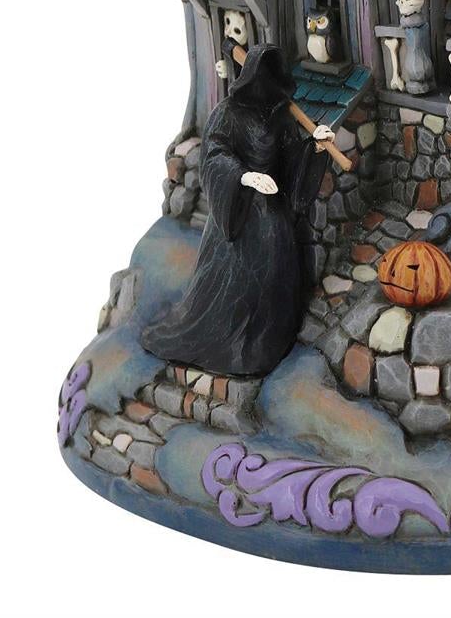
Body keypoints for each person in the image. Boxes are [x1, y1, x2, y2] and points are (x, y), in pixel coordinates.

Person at [140, 44, 333, 376]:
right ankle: (223, 342)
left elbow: (291, 164)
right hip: (237, 213)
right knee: (230, 282)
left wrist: (314, 147)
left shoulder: (281, 117)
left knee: (272, 274)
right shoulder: (227, 113)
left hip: (271, 213)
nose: (265, 85)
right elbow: (214, 155)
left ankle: (262, 346)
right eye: (261, 77)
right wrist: (245, 177)